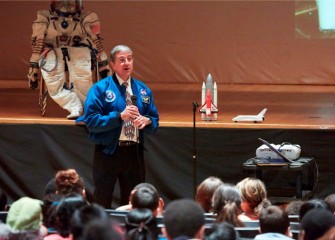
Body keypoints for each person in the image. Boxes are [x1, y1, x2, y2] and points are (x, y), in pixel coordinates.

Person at [76, 45, 159, 208]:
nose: (127, 63)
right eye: (122, 60)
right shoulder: (100, 89)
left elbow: (155, 120)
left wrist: (147, 121)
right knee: (102, 199)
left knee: (136, 201)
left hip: (134, 153)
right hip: (108, 153)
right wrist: (119, 116)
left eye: (129, 59)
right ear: (112, 65)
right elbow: (91, 121)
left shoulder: (143, 90)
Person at [27, 0, 110, 119]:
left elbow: (96, 44)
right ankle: (74, 106)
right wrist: (33, 69)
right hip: (52, 52)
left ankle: (90, 107)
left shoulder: (86, 18)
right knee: (53, 81)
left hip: (78, 52)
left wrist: (104, 66)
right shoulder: (44, 17)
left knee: (82, 77)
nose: (66, 5)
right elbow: (38, 45)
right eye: (62, 2)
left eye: (70, 2)